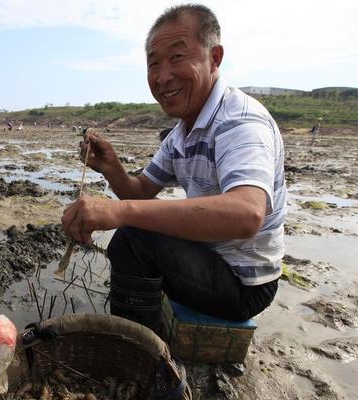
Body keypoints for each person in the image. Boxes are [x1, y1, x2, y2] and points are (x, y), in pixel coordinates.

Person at [61, 4, 285, 340]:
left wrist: (119, 212)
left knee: (132, 239)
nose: (163, 76)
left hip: (244, 284)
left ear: (215, 58)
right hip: (209, 257)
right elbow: (139, 191)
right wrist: (111, 168)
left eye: (177, 58)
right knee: (136, 232)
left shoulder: (239, 121)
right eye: (154, 63)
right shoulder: (181, 133)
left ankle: (140, 352)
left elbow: (246, 214)